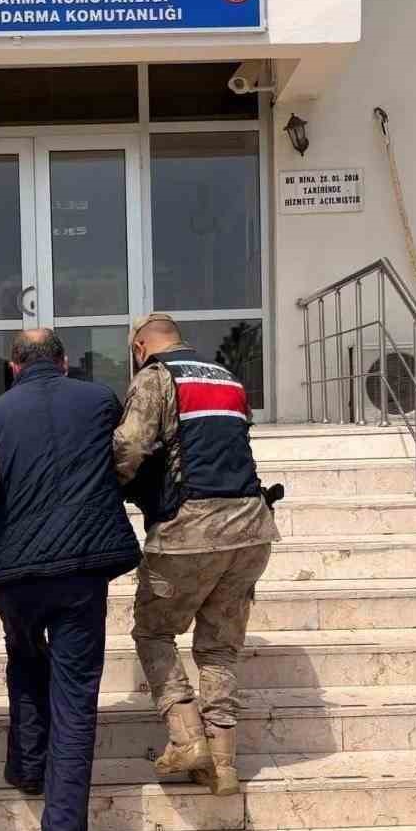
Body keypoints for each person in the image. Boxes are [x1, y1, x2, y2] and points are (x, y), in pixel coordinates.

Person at [0, 328, 141, 831]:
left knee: (24, 659)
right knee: (74, 697)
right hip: (81, 569)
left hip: (14, 569)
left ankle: (28, 766)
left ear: (14, 367)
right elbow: (124, 460)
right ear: (65, 362)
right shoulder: (99, 399)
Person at [113, 313, 276, 795]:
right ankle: (223, 761)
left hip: (190, 531)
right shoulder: (226, 377)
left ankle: (186, 736)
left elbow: (130, 446)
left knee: (154, 631)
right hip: (251, 529)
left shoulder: (156, 377)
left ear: (140, 348)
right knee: (220, 649)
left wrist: (113, 486)